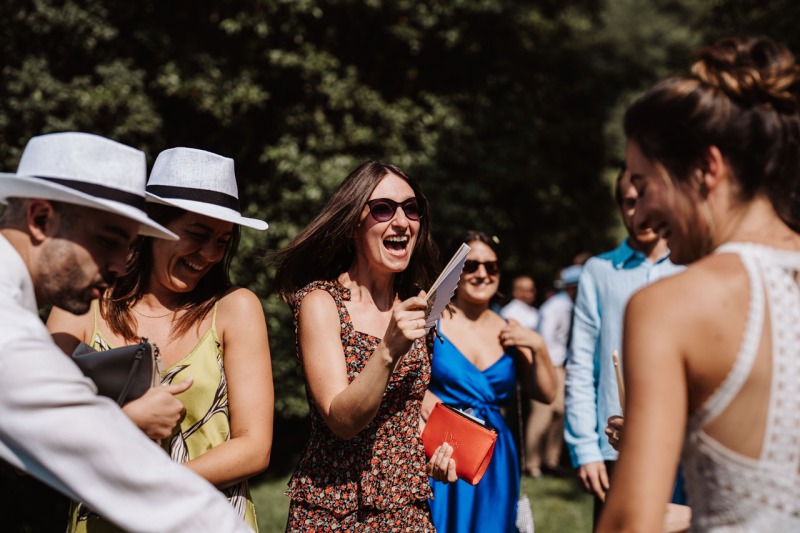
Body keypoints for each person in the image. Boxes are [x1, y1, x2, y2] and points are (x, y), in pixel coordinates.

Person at [0, 131, 254, 532]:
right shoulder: (9, 334)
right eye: (108, 240)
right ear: (40, 219)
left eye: (130, 244)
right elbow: (91, 444)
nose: (120, 264)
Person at [598, 35, 800, 532]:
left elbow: (628, 524)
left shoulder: (668, 307)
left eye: (644, 186)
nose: (639, 212)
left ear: (707, 169)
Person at [273, 160, 455, 531]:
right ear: (354, 224)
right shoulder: (321, 302)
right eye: (384, 209)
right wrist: (388, 349)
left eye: (412, 208)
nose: (402, 221)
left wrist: (441, 448)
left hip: (407, 508)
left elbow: (407, 405)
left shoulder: (416, 303)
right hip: (334, 510)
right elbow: (342, 421)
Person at [564, 164, 683, 528]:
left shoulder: (691, 265)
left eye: (646, 199)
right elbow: (582, 365)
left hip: (685, 441)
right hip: (616, 443)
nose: (640, 212)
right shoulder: (599, 271)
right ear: (620, 208)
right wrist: (585, 448)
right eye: (629, 203)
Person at [422, 230, 557, 533]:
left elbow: (547, 394)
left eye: (491, 266)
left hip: (494, 457)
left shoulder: (511, 330)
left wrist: (539, 347)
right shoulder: (431, 322)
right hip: (444, 449)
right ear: (454, 270)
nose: (482, 274)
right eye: (471, 266)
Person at [525, 263, 582, 478]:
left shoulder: (570, 306)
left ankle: (551, 459)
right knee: (542, 415)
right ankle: (532, 463)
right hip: (550, 363)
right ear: (571, 288)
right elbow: (544, 338)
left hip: (562, 364)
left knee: (560, 414)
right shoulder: (555, 307)